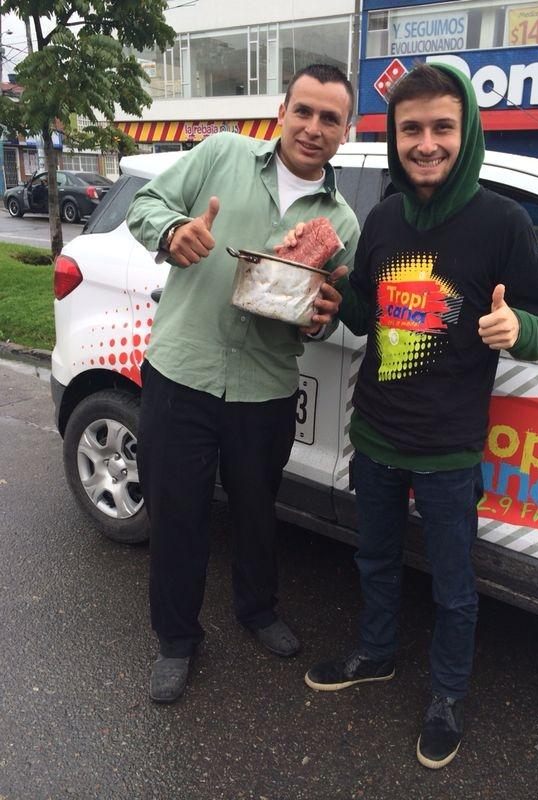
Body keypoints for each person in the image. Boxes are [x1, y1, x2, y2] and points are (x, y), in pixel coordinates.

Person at [294, 63, 538, 768]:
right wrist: (337, 302)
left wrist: (518, 329)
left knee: (453, 587)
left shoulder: (502, 223)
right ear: (395, 137)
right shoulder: (383, 218)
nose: (425, 143)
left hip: (448, 449)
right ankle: (377, 652)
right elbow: (366, 310)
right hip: (376, 433)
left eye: (442, 127)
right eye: (410, 128)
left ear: (465, 131)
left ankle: (447, 695)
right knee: (375, 559)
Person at [126, 64, 360, 704]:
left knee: (257, 514)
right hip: (182, 373)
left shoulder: (342, 223)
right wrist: (173, 231)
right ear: (283, 111)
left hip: (266, 389)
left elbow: (325, 313)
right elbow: (145, 205)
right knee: (177, 515)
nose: (313, 128)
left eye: (330, 118)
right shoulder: (222, 153)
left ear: (346, 130)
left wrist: (321, 316)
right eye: (303, 111)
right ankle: (177, 639)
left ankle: (257, 609)